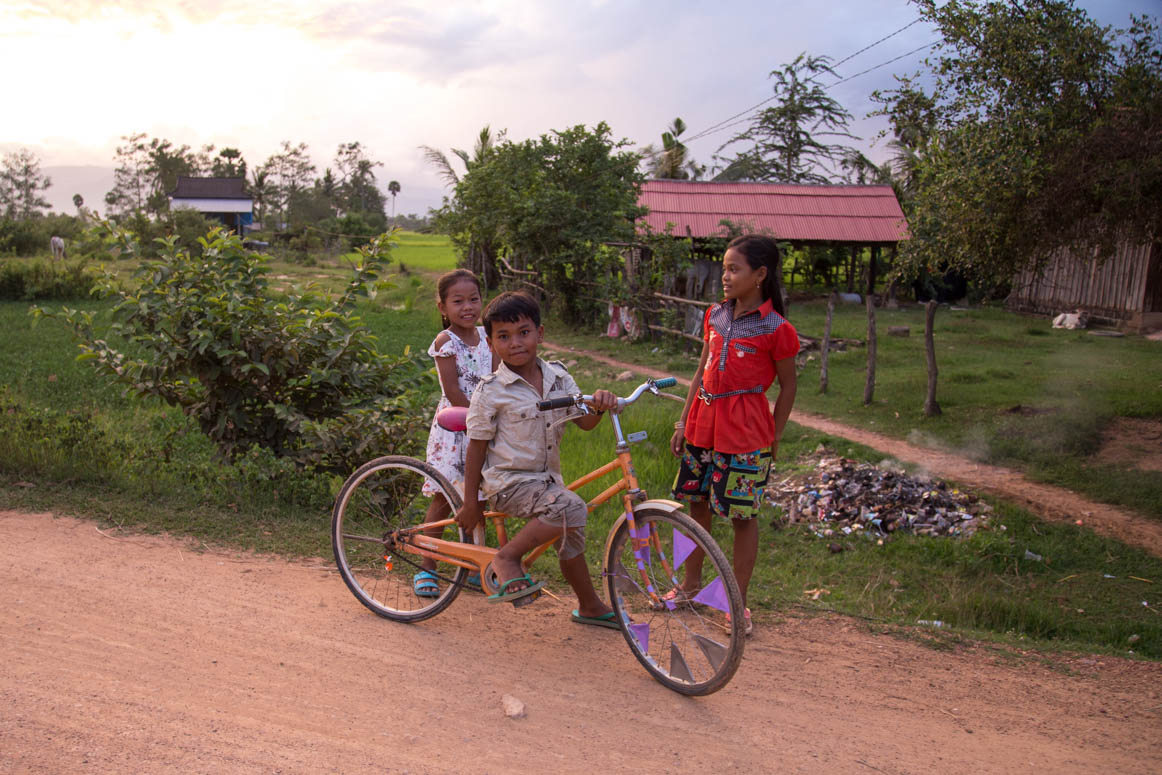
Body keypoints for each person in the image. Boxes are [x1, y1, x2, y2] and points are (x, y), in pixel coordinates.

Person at [455, 291, 617, 628]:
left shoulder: (559, 377)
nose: (515, 343)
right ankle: (508, 557)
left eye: (524, 333)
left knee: (572, 531)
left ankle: (589, 605)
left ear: (539, 334)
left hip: (547, 484)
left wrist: (599, 406)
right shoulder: (491, 390)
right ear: (490, 342)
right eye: (503, 336)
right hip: (508, 483)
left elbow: (584, 422)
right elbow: (476, 448)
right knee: (572, 508)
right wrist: (472, 503)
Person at [669, 234, 799, 636]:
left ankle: (735, 602)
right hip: (702, 425)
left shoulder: (778, 329)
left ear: (760, 274)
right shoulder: (715, 316)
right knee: (696, 505)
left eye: (733, 269)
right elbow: (701, 371)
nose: (725, 276)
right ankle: (690, 586)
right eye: (724, 268)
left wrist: (774, 436)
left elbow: (789, 387)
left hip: (746, 432)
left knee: (743, 517)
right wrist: (682, 420)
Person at [415, 269, 494, 598]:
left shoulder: (488, 336)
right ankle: (425, 566)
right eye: (457, 301)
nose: (467, 307)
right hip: (455, 428)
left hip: (486, 427)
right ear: (443, 308)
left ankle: (474, 566)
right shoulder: (446, 342)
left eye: (473, 299)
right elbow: (453, 391)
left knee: (480, 498)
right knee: (445, 497)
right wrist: (482, 417)